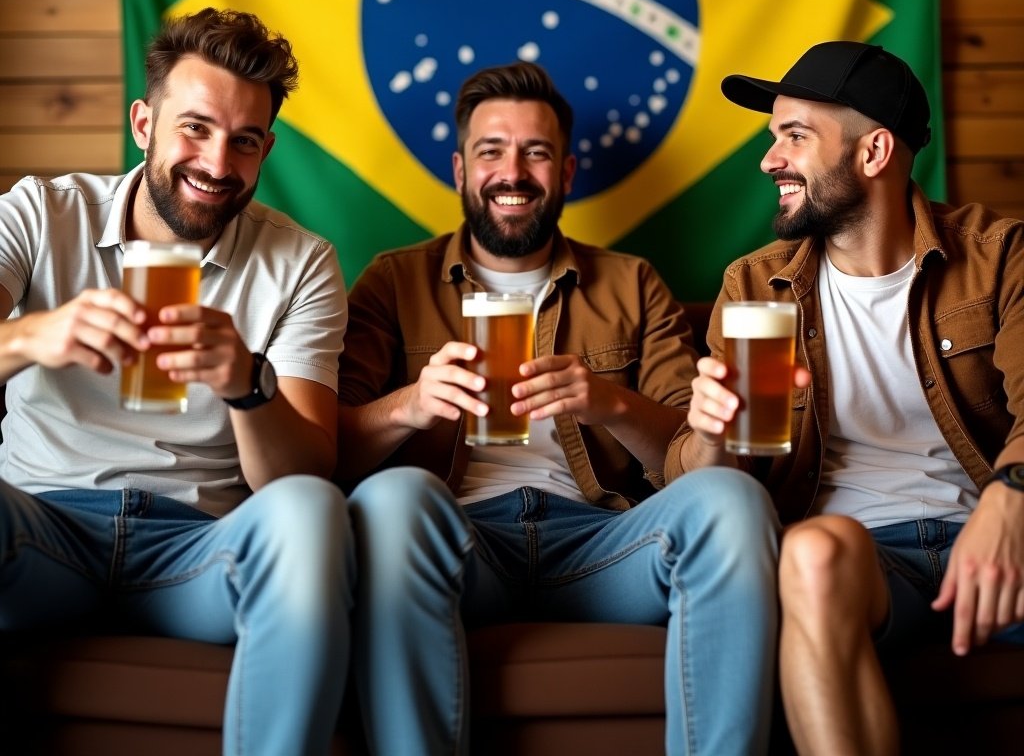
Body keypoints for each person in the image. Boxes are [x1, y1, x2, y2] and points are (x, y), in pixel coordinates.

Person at [338, 61, 780, 755]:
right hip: (460, 543)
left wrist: (606, 401)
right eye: (491, 151)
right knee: (392, 499)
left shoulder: (631, 283)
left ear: (567, 173)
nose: (512, 172)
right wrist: (410, 405)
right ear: (459, 169)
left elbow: (689, 459)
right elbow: (329, 447)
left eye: (536, 153)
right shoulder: (394, 281)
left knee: (732, 499)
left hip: (602, 544)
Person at [0, 8, 354, 755]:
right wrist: (35, 334)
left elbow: (306, 470)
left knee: (314, 512)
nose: (218, 164)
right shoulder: (41, 213)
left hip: (200, 549)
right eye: (194, 128)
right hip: (41, 531)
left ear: (267, 150)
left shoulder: (302, 263)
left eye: (244, 141)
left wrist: (248, 385)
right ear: (143, 122)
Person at [673, 40, 1024, 756]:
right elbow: (708, 492)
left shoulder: (999, 255)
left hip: (995, 538)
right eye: (774, 137)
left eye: (795, 136)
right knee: (809, 552)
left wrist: (1009, 497)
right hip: (863, 564)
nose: (771, 160)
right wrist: (711, 435)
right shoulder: (753, 285)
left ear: (873, 154)